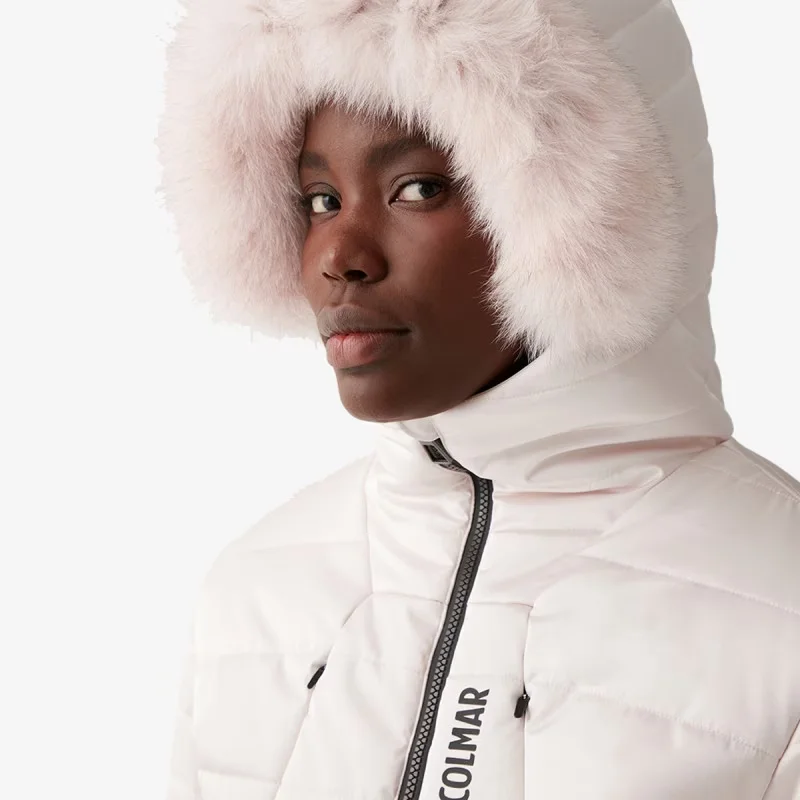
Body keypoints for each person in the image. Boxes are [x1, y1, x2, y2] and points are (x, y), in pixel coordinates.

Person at [158, 0, 800, 797]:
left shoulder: (780, 605)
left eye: (417, 188)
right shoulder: (255, 595)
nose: (339, 255)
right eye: (319, 199)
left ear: (584, 209)